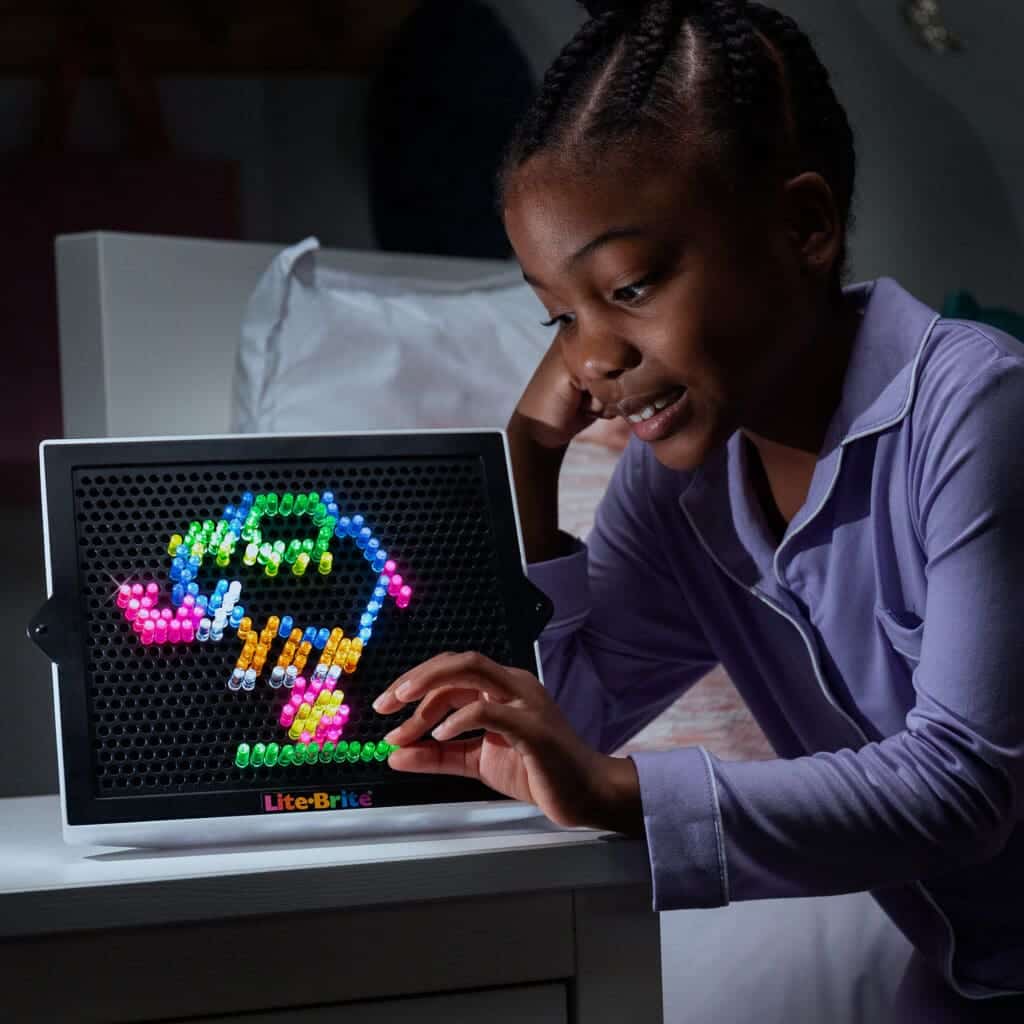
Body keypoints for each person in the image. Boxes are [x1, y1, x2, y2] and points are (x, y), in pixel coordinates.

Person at [371, 1, 1024, 1017]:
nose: (589, 358)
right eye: (560, 315)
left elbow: (962, 787)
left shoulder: (979, 411)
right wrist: (527, 469)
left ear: (803, 227)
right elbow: (569, 726)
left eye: (629, 287)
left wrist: (617, 793)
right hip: (963, 981)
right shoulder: (677, 488)